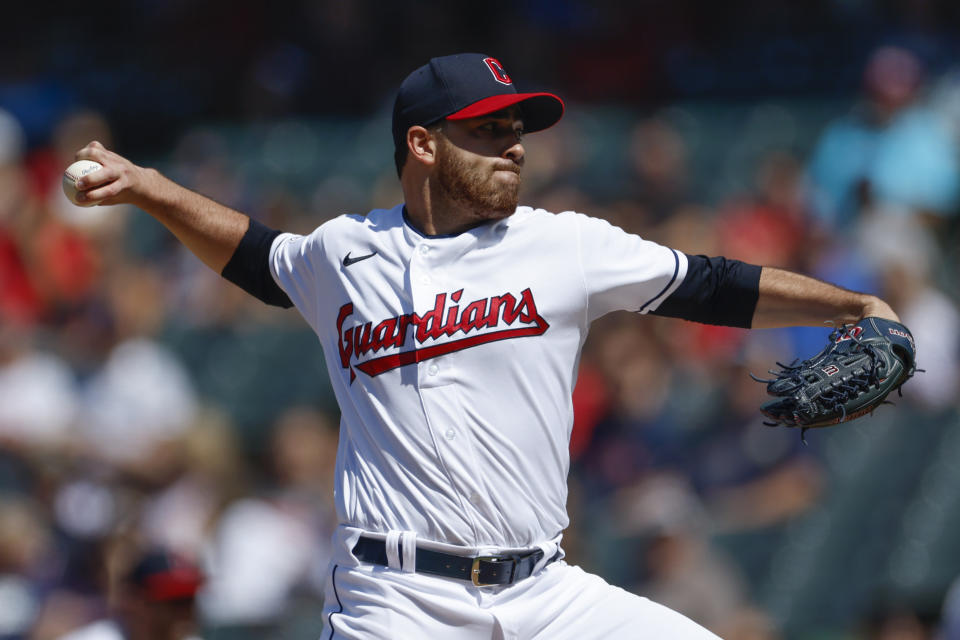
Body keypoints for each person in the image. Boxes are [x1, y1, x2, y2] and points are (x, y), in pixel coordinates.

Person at [70, 53, 900, 639]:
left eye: (517, 126)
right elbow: (256, 256)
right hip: (393, 599)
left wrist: (851, 304)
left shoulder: (564, 245)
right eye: (487, 127)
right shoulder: (344, 250)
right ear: (423, 145)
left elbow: (714, 283)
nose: (512, 143)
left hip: (545, 592)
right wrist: (150, 188)